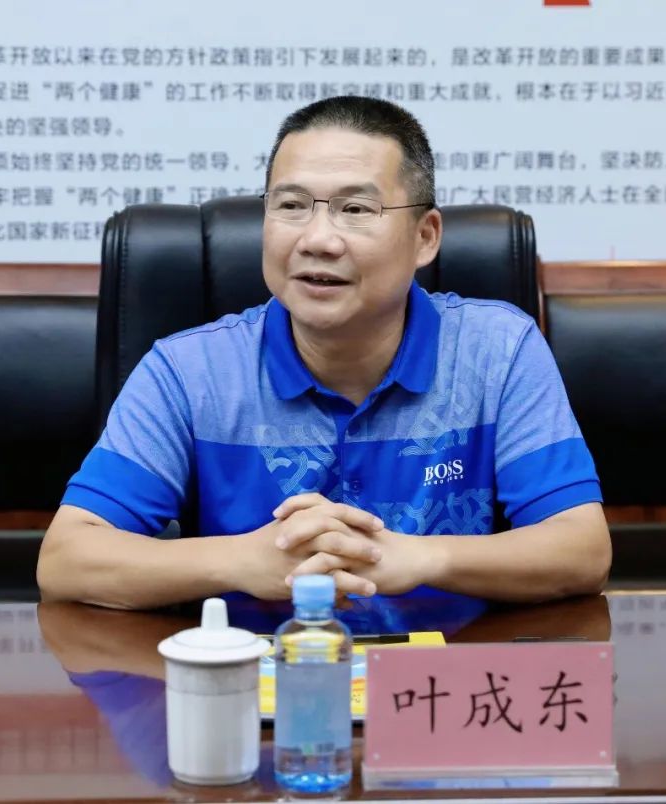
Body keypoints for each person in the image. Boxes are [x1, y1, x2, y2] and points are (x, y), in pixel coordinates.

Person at [37, 96, 611, 632]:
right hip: (255, 687)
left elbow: (581, 550)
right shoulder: (189, 371)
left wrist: (416, 557)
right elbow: (67, 559)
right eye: (290, 206)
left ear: (425, 236)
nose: (317, 239)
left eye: (355, 209)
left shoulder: (498, 351)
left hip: (447, 687)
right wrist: (242, 560)